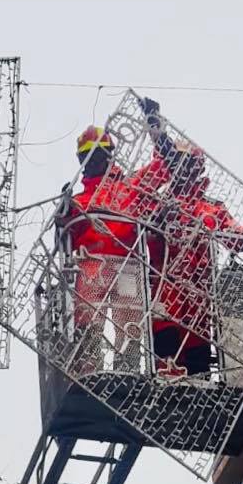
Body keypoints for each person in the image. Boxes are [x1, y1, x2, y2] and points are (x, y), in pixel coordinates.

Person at [149, 143, 243, 381]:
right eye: (176, 163)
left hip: (200, 305)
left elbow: (237, 240)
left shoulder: (212, 208)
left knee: (198, 374)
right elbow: (145, 235)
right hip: (165, 296)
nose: (181, 169)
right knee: (164, 370)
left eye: (186, 164)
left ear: (197, 168)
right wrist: (160, 220)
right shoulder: (158, 203)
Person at [60, 105, 176, 375]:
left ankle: (128, 372)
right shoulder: (78, 200)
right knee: (88, 321)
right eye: (88, 156)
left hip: (127, 266)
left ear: (109, 155)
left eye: (98, 154)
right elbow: (65, 237)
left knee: (130, 325)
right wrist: (63, 212)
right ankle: (89, 372)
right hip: (93, 266)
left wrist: (155, 126)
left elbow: (165, 166)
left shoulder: (131, 186)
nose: (94, 161)